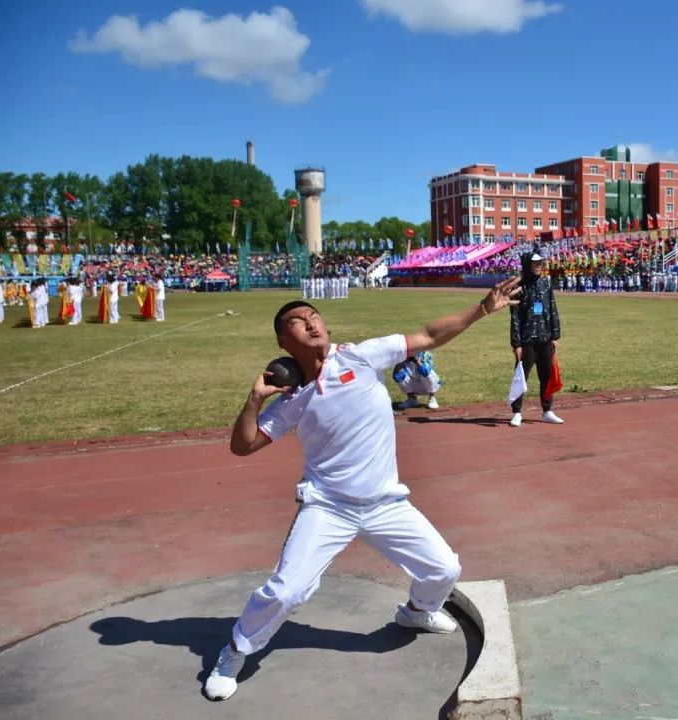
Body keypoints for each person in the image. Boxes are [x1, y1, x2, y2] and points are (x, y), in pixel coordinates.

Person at [203, 276, 522, 702]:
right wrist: (254, 399)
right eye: (299, 322)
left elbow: (428, 335)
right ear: (284, 340)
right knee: (288, 590)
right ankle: (236, 649)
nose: (312, 323)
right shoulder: (291, 400)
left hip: (385, 502)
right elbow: (242, 447)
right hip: (328, 506)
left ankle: (417, 612)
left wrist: (481, 309)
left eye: (315, 317)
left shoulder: (363, 355)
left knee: (444, 569)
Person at [509, 251, 563, 427]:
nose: (539, 265)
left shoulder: (546, 283)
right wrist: (516, 343)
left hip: (545, 338)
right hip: (527, 340)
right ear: (527, 264)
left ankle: (547, 411)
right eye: (535, 263)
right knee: (521, 376)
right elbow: (515, 316)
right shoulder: (519, 286)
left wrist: (555, 335)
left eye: (540, 262)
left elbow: (553, 309)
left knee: (546, 376)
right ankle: (517, 412)